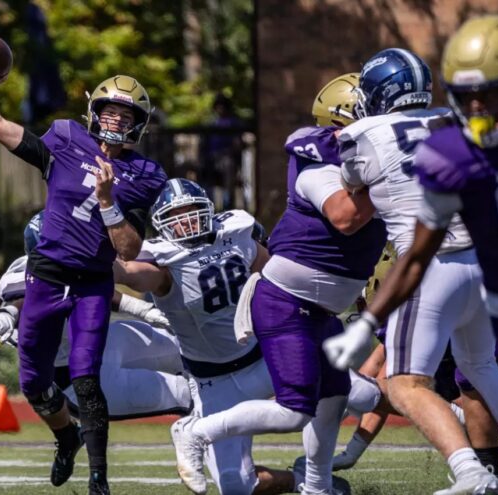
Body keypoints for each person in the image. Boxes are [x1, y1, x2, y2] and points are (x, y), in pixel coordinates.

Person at [324, 14, 498, 493]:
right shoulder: (451, 121)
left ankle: (471, 471)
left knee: (404, 382)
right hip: (483, 264)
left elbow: (350, 201)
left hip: (432, 266)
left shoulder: (363, 134)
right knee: (482, 367)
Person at [169, 73, 385, 495]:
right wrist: (396, 177)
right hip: (288, 302)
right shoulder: (317, 165)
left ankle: (317, 486)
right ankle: (196, 431)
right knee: (294, 410)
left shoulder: (361, 166)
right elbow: (345, 217)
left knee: (334, 397)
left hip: (320, 307)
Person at [0, 60, 167, 494]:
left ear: (139, 124)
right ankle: (66, 438)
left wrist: (108, 201)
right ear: (94, 112)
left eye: (127, 116)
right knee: (33, 383)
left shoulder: (145, 175)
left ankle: (99, 479)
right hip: (46, 276)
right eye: (110, 112)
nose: (117, 121)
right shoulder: (64, 139)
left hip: (92, 282)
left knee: (86, 377)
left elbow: (128, 250)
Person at [117, 178, 359, 495]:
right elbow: (125, 273)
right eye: (176, 216)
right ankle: (299, 480)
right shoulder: (162, 261)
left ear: (208, 209)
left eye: (192, 210)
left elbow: (276, 276)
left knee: (358, 393)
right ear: (162, 225)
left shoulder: (235, 232)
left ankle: (318, 482)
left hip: (264, 359)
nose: (187, 221)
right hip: (215, 381)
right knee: (235, 486)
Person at [0, 212, 192, 420]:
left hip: (107, 342)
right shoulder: (22, 274)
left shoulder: (72, 266)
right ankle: (195, 437)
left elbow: (93, 288)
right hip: (81, 377)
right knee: (185, 393)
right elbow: (26, 298)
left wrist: (143, 309)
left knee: (190, 351)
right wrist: (8, 313)